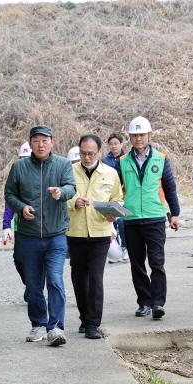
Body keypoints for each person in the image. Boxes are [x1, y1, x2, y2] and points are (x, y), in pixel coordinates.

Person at [4, 125, 76, 346]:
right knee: (34, 285)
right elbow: (9, 193)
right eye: (36, 140)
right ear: (30, 144)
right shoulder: (19, 167)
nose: (41, 144)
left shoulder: (63, 164)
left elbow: (71, 188)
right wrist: (21, 207)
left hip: (56, 236)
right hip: (29, 236)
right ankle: (38, 324)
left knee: (55, 280)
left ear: (52, 142)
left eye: (45, 140)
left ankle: (55, 327)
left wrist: (60, 193)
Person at [112, 117, 180, 320]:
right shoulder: (122, 162)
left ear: (149, 136)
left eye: (142, 134)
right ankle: (144, 302)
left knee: (157, 263)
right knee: (137, 264)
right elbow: (115, 190)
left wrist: (174, 214)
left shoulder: (161, 159)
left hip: (155, 218)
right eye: (135, 135)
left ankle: (158, 303)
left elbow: (170, 188)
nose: (139, 138)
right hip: (131, 221)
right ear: (130, 138)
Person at [67, 134, 123, 339]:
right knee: (79, 278)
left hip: (101, 232)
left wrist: (113, 213)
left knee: (96, 278)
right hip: (75, 232)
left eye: (91, 153)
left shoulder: (110, 173)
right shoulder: (69, 171)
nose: (87, 157)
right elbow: (62, 197)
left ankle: (93, 324)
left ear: (100, 152)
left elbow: (118, 199)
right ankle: (84, 318)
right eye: (83, 153)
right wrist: (74, 202)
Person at [2, 142, 31, 297]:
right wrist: (6, 226)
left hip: (41, 228)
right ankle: (29, 283)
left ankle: (35, 287)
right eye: (22, 158)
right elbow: (9, 202)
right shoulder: (16, 175)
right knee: (19, 259)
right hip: (20, 228)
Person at [102, 133, 128, 261]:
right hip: (109, 196)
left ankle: (125, 247)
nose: (114, 146)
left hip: (124, 194)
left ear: (121, 144)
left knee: (122, 222)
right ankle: (116, 250)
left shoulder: (127, 158)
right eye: (111, 144)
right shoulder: (105, 160)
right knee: (113, 223)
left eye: (116, 143)